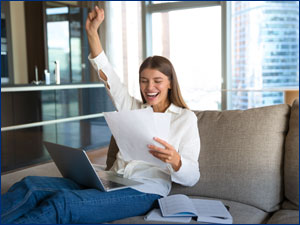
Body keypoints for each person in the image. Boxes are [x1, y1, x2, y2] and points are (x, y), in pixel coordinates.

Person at [1, 6, 200, 224]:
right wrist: (92, 32)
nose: (149, 87)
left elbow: (193, 177)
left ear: (170, 83)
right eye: (144, 80)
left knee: (63, 203)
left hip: (146, 190)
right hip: (114, 179)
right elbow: (109, 77)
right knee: (29, 185)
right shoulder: (133, 108)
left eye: (157, 81)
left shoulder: (185, 118)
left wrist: (177, 161)